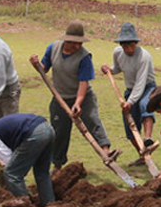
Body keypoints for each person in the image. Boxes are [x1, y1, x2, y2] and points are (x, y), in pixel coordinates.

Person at [35, 20, 118, 169]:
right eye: (74, 43)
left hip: (83, 96)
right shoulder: (53, 48)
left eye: (80, 43)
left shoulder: (84, 56)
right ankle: (58, 164)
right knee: (59, 131)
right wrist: (36, 64)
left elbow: (83, 83)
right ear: (67, 40)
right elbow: (44, 69)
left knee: (92, 119)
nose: (78, 46)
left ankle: (106, 151)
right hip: (60, 98)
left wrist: (78, 103)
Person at [0, 113, 55, 207]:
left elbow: (9, 159)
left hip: (34, 135)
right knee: (42, 173)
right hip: (47, 128)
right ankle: (49, 205)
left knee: (11, 174)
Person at [101, 22, 157, 164]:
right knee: (129, 123)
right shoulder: (117, 53)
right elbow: (118, 67)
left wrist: (130, 102)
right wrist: (110, 70)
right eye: (125, 46)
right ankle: (143, 154)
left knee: (145, 105)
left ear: (136, 43)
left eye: (132, 45)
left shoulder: (144, 57)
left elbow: (140, 83)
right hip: (130, 90)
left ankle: (147, 138)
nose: (129, 49)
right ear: (121, 45)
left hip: (146, 87)